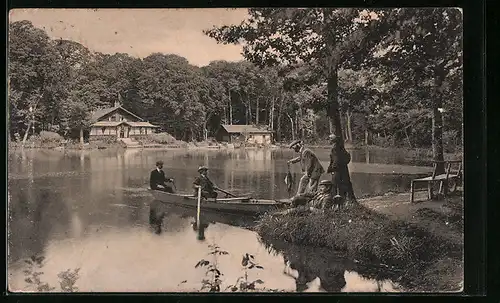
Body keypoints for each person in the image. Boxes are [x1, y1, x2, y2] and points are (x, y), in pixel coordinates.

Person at [326, 135, 356, 204]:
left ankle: (335, 202)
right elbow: (347, 157)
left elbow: (336, 160)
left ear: (332, 140)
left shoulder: (334, 148)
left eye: (329, 139)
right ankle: (345, 200)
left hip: (337, 170)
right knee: (343, 185)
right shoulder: (341, 147)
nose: (328, 141)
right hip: (343, 169)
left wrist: (333, 169)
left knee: (335, 186)